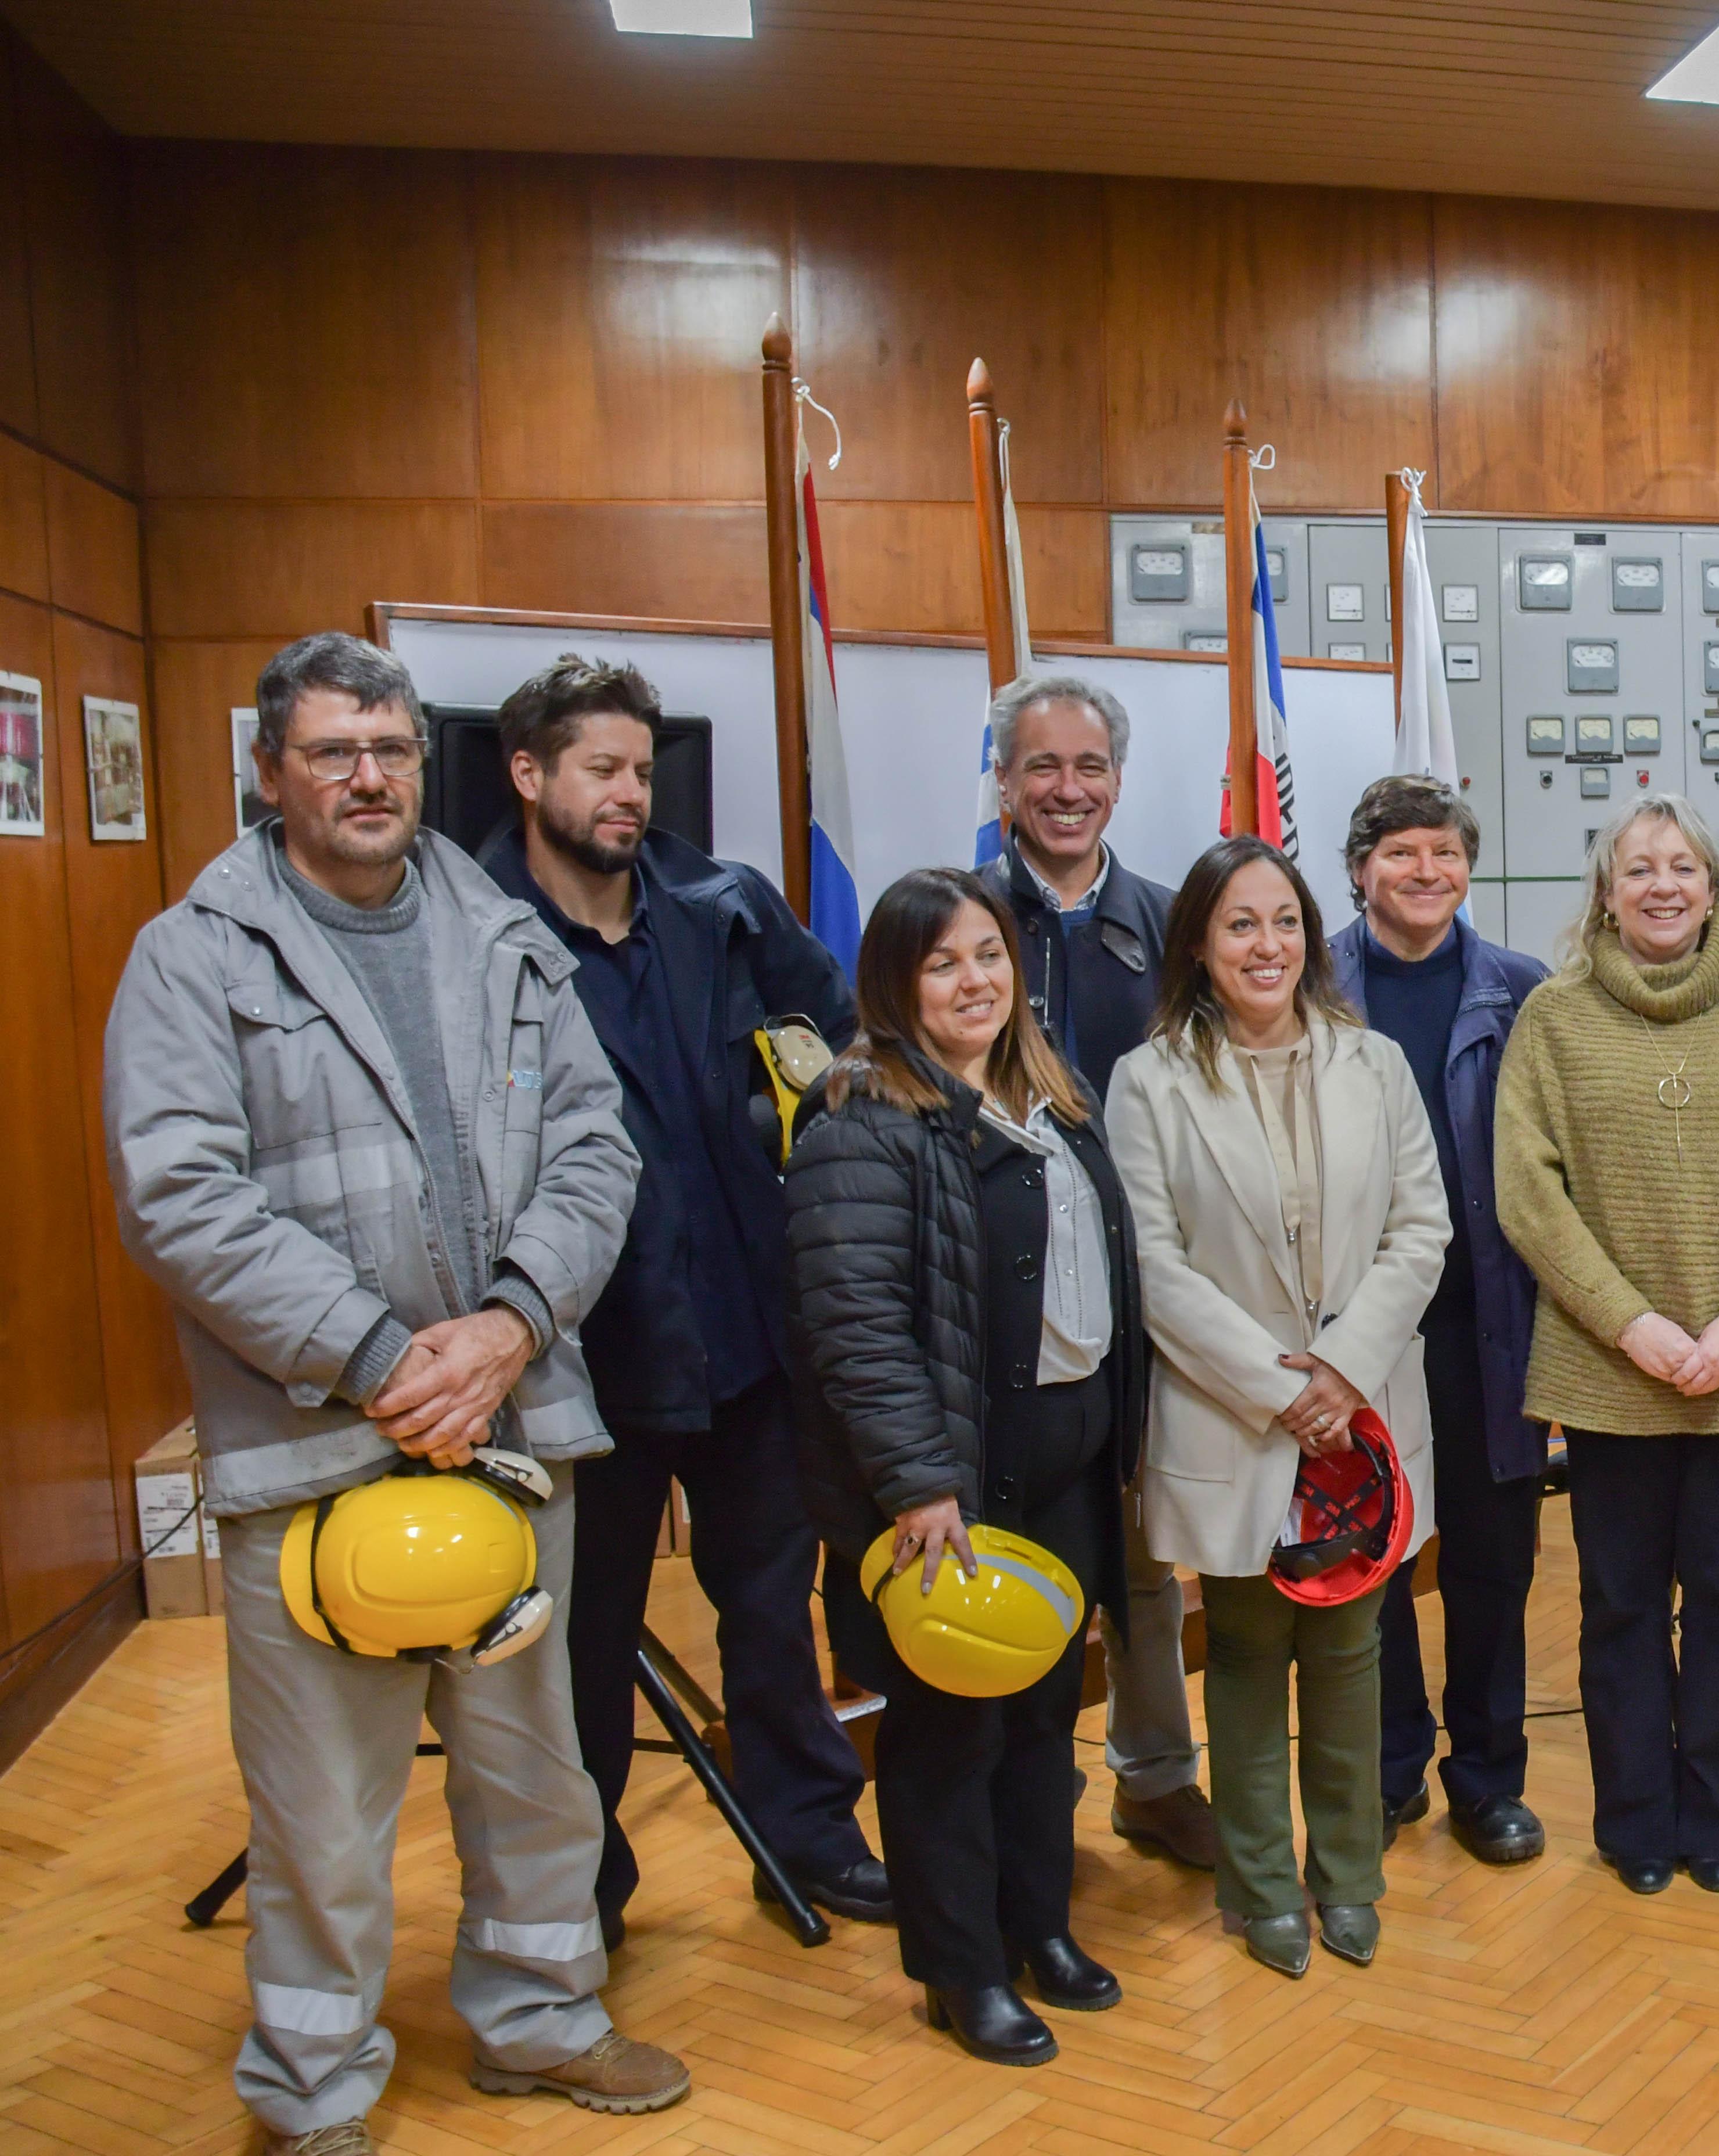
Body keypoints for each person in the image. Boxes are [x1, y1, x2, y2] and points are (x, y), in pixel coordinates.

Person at [104, 632, 684, 2154]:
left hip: (511, 1423)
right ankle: (311, 2086)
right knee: (323, 1807)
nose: (367, 777)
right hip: (316, 1445)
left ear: (424, 762)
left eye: (390, 749)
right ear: (269, 772)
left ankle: (541, 2021)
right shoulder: (194, 953)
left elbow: (595, 1149)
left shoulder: (501, 933)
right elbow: (179, 1195)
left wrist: (505, 1327)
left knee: (534, 1774)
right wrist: (381, 1361)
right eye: (331, 752)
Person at [474, 655, 885, 1947]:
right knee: (584, 1645)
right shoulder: (472, 935)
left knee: (772, 1606)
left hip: (749, 1337)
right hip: (581, 1363)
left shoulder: (722, 903)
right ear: (529, 772)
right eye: (601, 768)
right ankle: (581, 1893)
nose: (629, 795)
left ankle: (806, 1840)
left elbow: (837, 1040)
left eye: (642, 770)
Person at [784, 867, 1148, 2064]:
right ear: (893, 983)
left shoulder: (1053, 1095)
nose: (974, 979)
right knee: (950, 1737)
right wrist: (917, 1480)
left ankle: (1038, 1924)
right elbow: (856, 1325)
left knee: (1048, 1716)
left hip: (1069, 1467)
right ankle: (961, 1966)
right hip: (950, 1485)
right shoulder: (862, 1115)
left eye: (988, 954)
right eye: (942, 962)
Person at [1103, 838, 1450, 1977]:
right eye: (1241, 924)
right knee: (1247, 1655)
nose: (1268, 945)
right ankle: (1262, 1890)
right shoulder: (1148, 1078)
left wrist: (1344, 1369)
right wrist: (1281, 1385)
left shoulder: (1376, 1062)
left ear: (1314, 934)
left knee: (1353, 1650)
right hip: (1233, 1413)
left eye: (1286, 921)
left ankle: (1348, 1875)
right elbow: (1151, 1262)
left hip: (1362, 1411)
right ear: (1199, 945)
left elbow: (1422, 1227)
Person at [1498, 796, 1719, 1896]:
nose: (1661, 886)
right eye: (1638, 868)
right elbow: (1528, 1193)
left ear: (1713, 888)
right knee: (1623, 1605)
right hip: (1609, 1376)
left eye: (1682, 867)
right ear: (1605, 890)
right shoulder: (1552, 1019)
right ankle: (1638, 1824)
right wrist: (1632, 1325)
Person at [980, 672, 1216, 1873]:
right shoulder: (956, 918)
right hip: (997, 1301)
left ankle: (1158, 1775)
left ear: (1116, 781)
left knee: (1141, 1551)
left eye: (1089, 767)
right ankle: (1024, 1796)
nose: (1066, 789)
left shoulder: (1176, 923)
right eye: (1042, 767)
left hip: (1143, 1287)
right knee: (1024, 1551)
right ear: (1005, 780)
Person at [1328, 775, 1555, 1864]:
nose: (1427, 873)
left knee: (1489, 1562)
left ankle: (1488, 1777)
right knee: (1373, 1557)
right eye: (1404, 853)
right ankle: (1387, 1769)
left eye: (1447, 853)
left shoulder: (1522, 990)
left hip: (1489, 1326)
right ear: (1361, 866)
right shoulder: (1311, 984)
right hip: (1356, 1337)